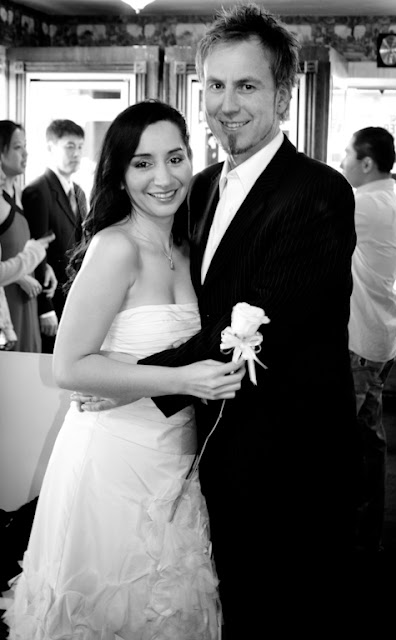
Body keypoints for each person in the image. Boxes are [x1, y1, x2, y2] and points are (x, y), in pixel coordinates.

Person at [104, 5, 359, 635]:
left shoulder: (318, 192)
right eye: (215, 85)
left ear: (283, 94)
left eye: (246, 85)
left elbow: (256, 329)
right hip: (207, 449)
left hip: (287, 463)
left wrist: (128, 381)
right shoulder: (201, 185)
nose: (226, 104)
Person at [3, 100, 244, 640]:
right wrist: (182, 379)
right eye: (143, 163)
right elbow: (69, 366)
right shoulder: (115, 246)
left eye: (175, 158)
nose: (164, 177)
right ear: (119, 173)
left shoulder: (189, 245)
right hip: (113, 460)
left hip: (176, 456)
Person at [341, 126, 396, 552]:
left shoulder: (364, 204)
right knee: (368, 440)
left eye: (346, 154)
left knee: (345, 444)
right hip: (380, 339)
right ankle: (367, 536)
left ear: (365, 162)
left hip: (360, 344)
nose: (341, 162)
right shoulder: (389, 202)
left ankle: (348, 540)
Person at [22, 118, 88, 353]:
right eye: (70, 146)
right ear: (50, 147)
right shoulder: (37, 192)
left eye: (80, 147)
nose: (77, 153)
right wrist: (45, 308)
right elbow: (35, 253)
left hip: (75, 299)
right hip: (51, 300)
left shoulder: (79, 192)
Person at [0, 121, 57, 353]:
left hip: (27, 294)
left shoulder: (18, 192)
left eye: (25, 146)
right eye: (17, 147)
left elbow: (20, 244)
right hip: (8, 297)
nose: (25, 153)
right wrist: (21, 274)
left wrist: (43, 266)